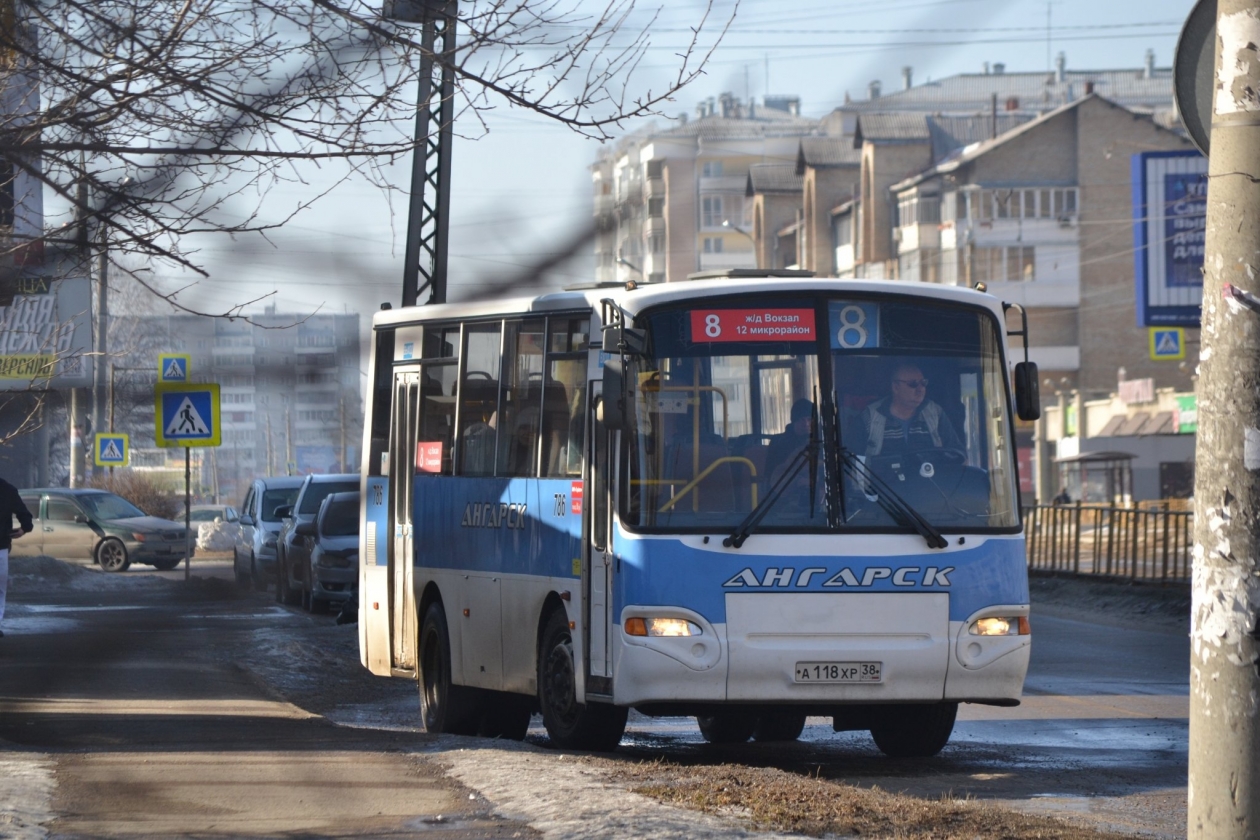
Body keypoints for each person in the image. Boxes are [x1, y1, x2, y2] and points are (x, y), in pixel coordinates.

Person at [860, 362, 962, 458]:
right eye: (913, 384)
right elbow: (852, 462)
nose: (920, 389)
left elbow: (958, 454)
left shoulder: (935, 412)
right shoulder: (870, 416)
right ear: (895, 387)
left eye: (923, 383)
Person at [0, 477, 34, 638]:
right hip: (1, 547)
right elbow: (24, 513)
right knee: (0, 590)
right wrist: (24, 529)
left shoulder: (8, 490)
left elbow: (24, 514)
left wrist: (25, 527)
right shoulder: (7, 490)